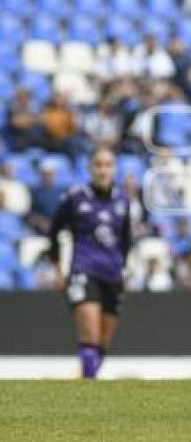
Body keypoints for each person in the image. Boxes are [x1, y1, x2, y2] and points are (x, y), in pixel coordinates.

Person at [46, 147, 131, 379]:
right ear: (90, 168)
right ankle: (90, 391)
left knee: (103, 340)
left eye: (108, 165)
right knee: (90, 335)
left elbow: (126, 239)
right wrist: (57, 268)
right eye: (98, 165)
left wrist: (125, 269)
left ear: (114, 169)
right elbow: (54, 232)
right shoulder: (75, 198)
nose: (103, 170)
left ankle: (86, 379)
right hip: (84, 270)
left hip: (112, 274)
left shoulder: (123, 199)